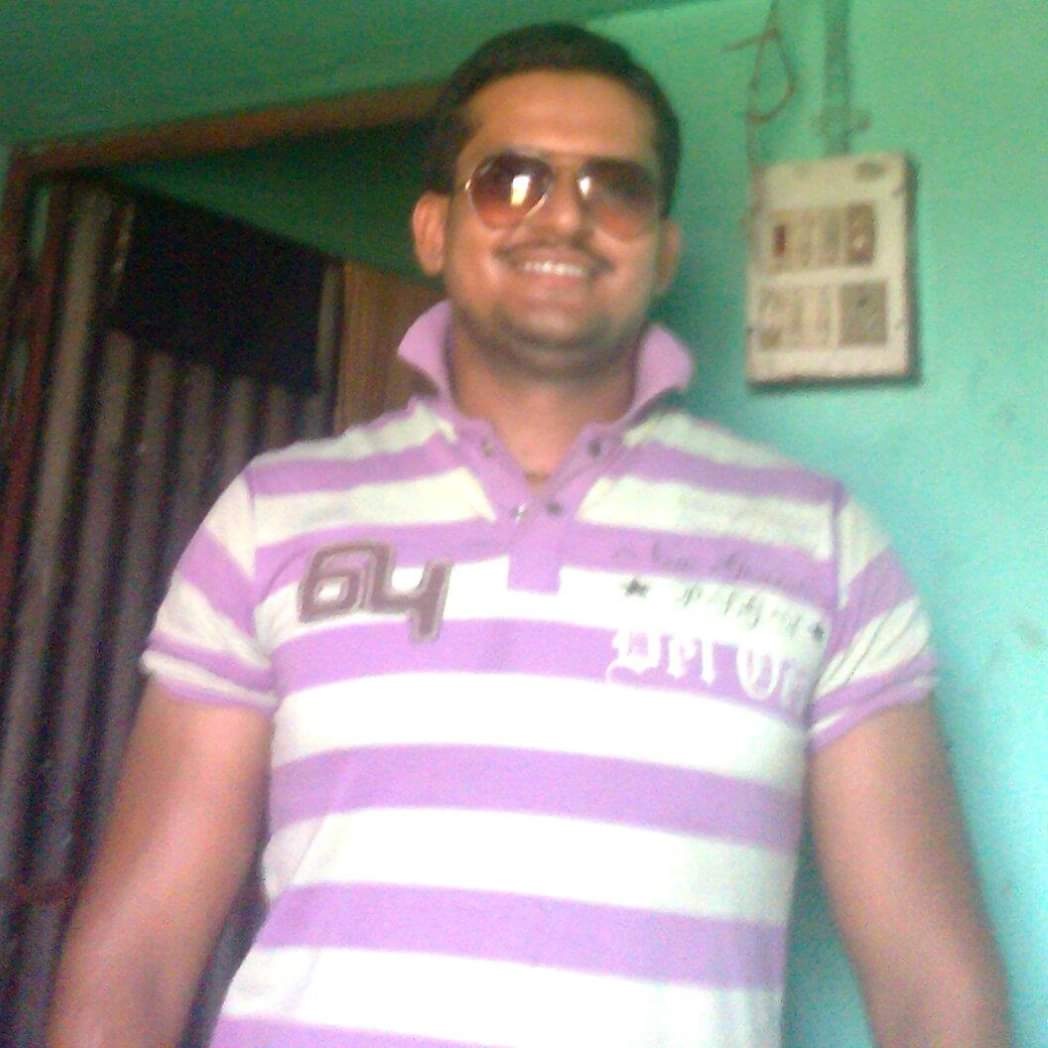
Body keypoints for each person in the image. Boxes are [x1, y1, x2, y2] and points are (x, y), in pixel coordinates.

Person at [49, 22, 1008, 1048]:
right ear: (433, 231)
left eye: (616, 188)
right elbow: (137, 956)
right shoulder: (272, 516)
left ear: (663, 251)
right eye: (510, 180)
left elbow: (931, 986)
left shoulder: (820, 541)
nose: (563, 215)